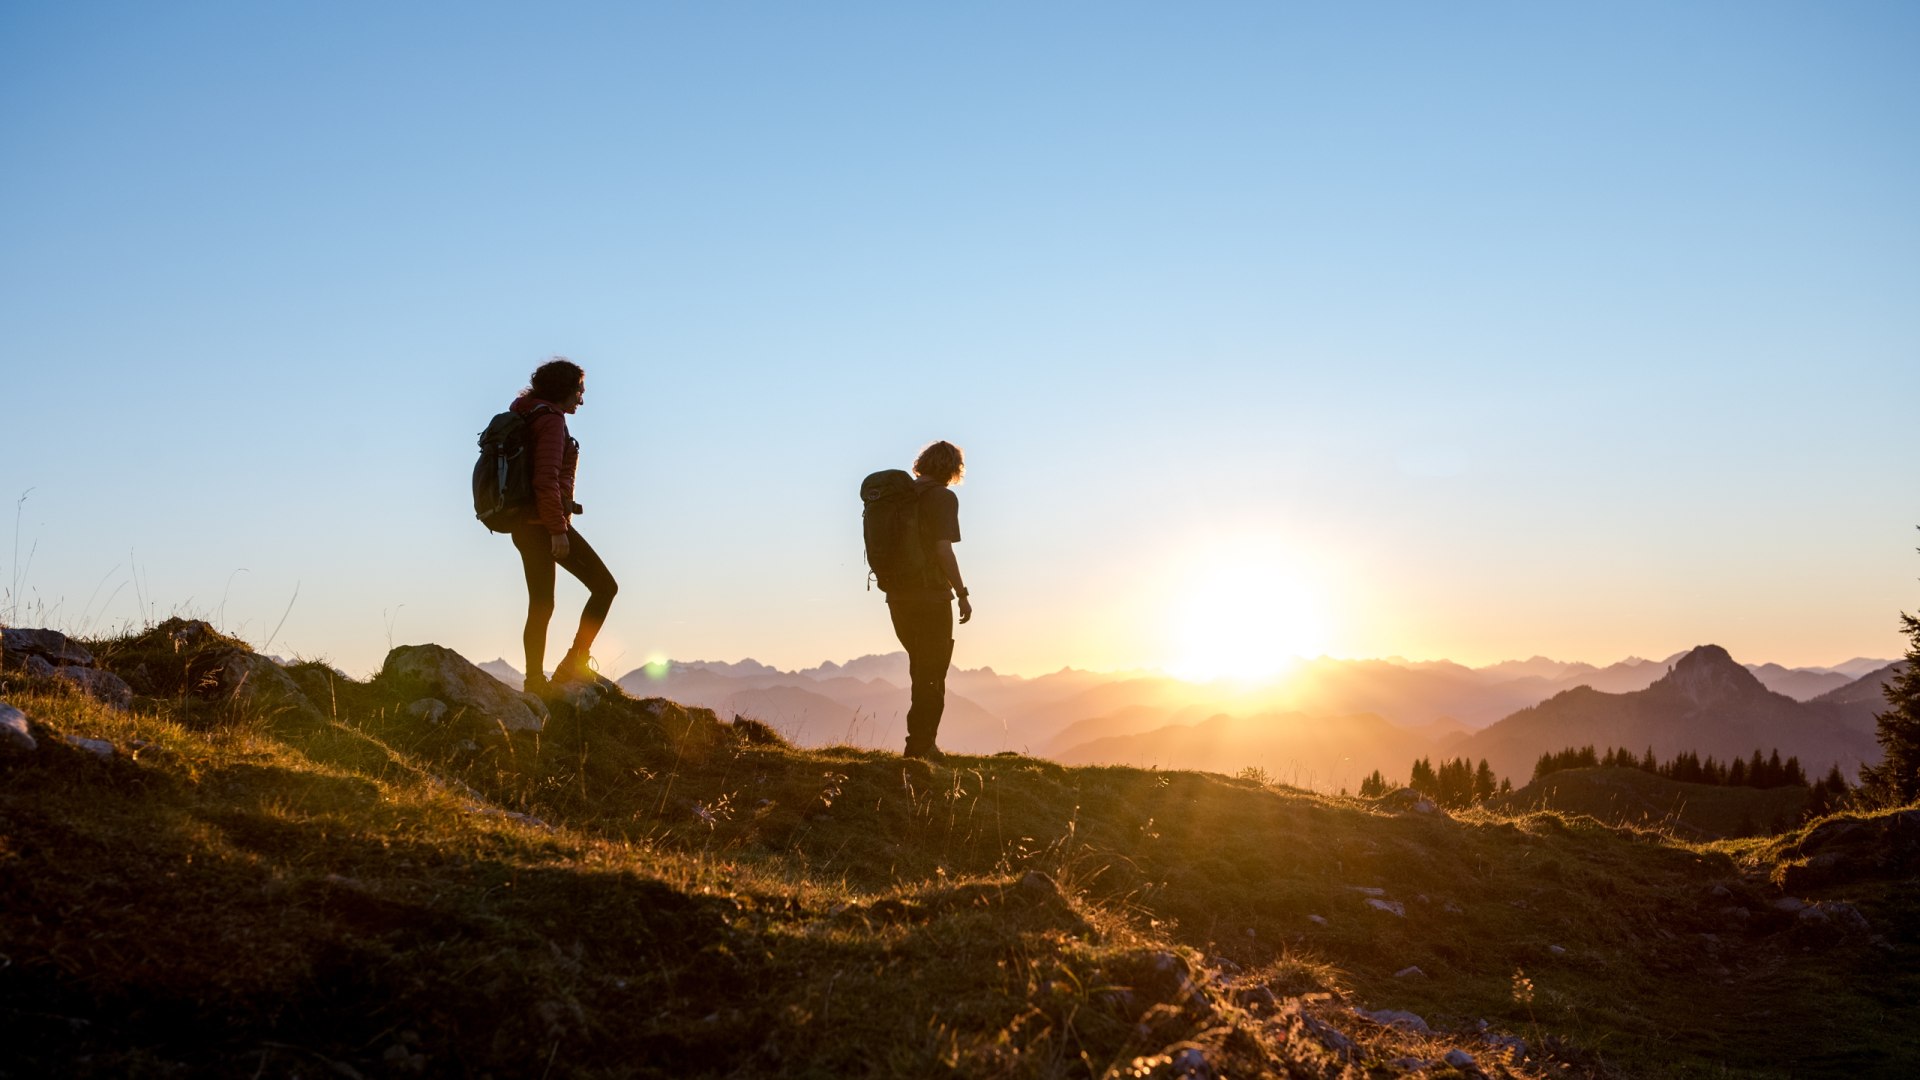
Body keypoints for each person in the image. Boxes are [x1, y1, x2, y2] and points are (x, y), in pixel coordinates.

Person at [506, 357, 618, 693]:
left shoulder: (524, 412)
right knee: (604, 587)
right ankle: (574, 663)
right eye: (579, 391)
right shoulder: (551, 420)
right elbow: (546, 479)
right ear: (564, 390)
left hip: (522, 524)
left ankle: (535, 682)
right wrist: (557, 529)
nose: (581, 399)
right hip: (544, 523)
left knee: (541, 603)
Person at [888, 440, 972, 760]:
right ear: (953, 469)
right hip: (932, 597)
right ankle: (922, 747)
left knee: (919, 669)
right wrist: (962, 593)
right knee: (932, 673)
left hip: (897, 597)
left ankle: (919, 744)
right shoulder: (943, 498)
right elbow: (942, 549)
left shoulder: (899, 497)